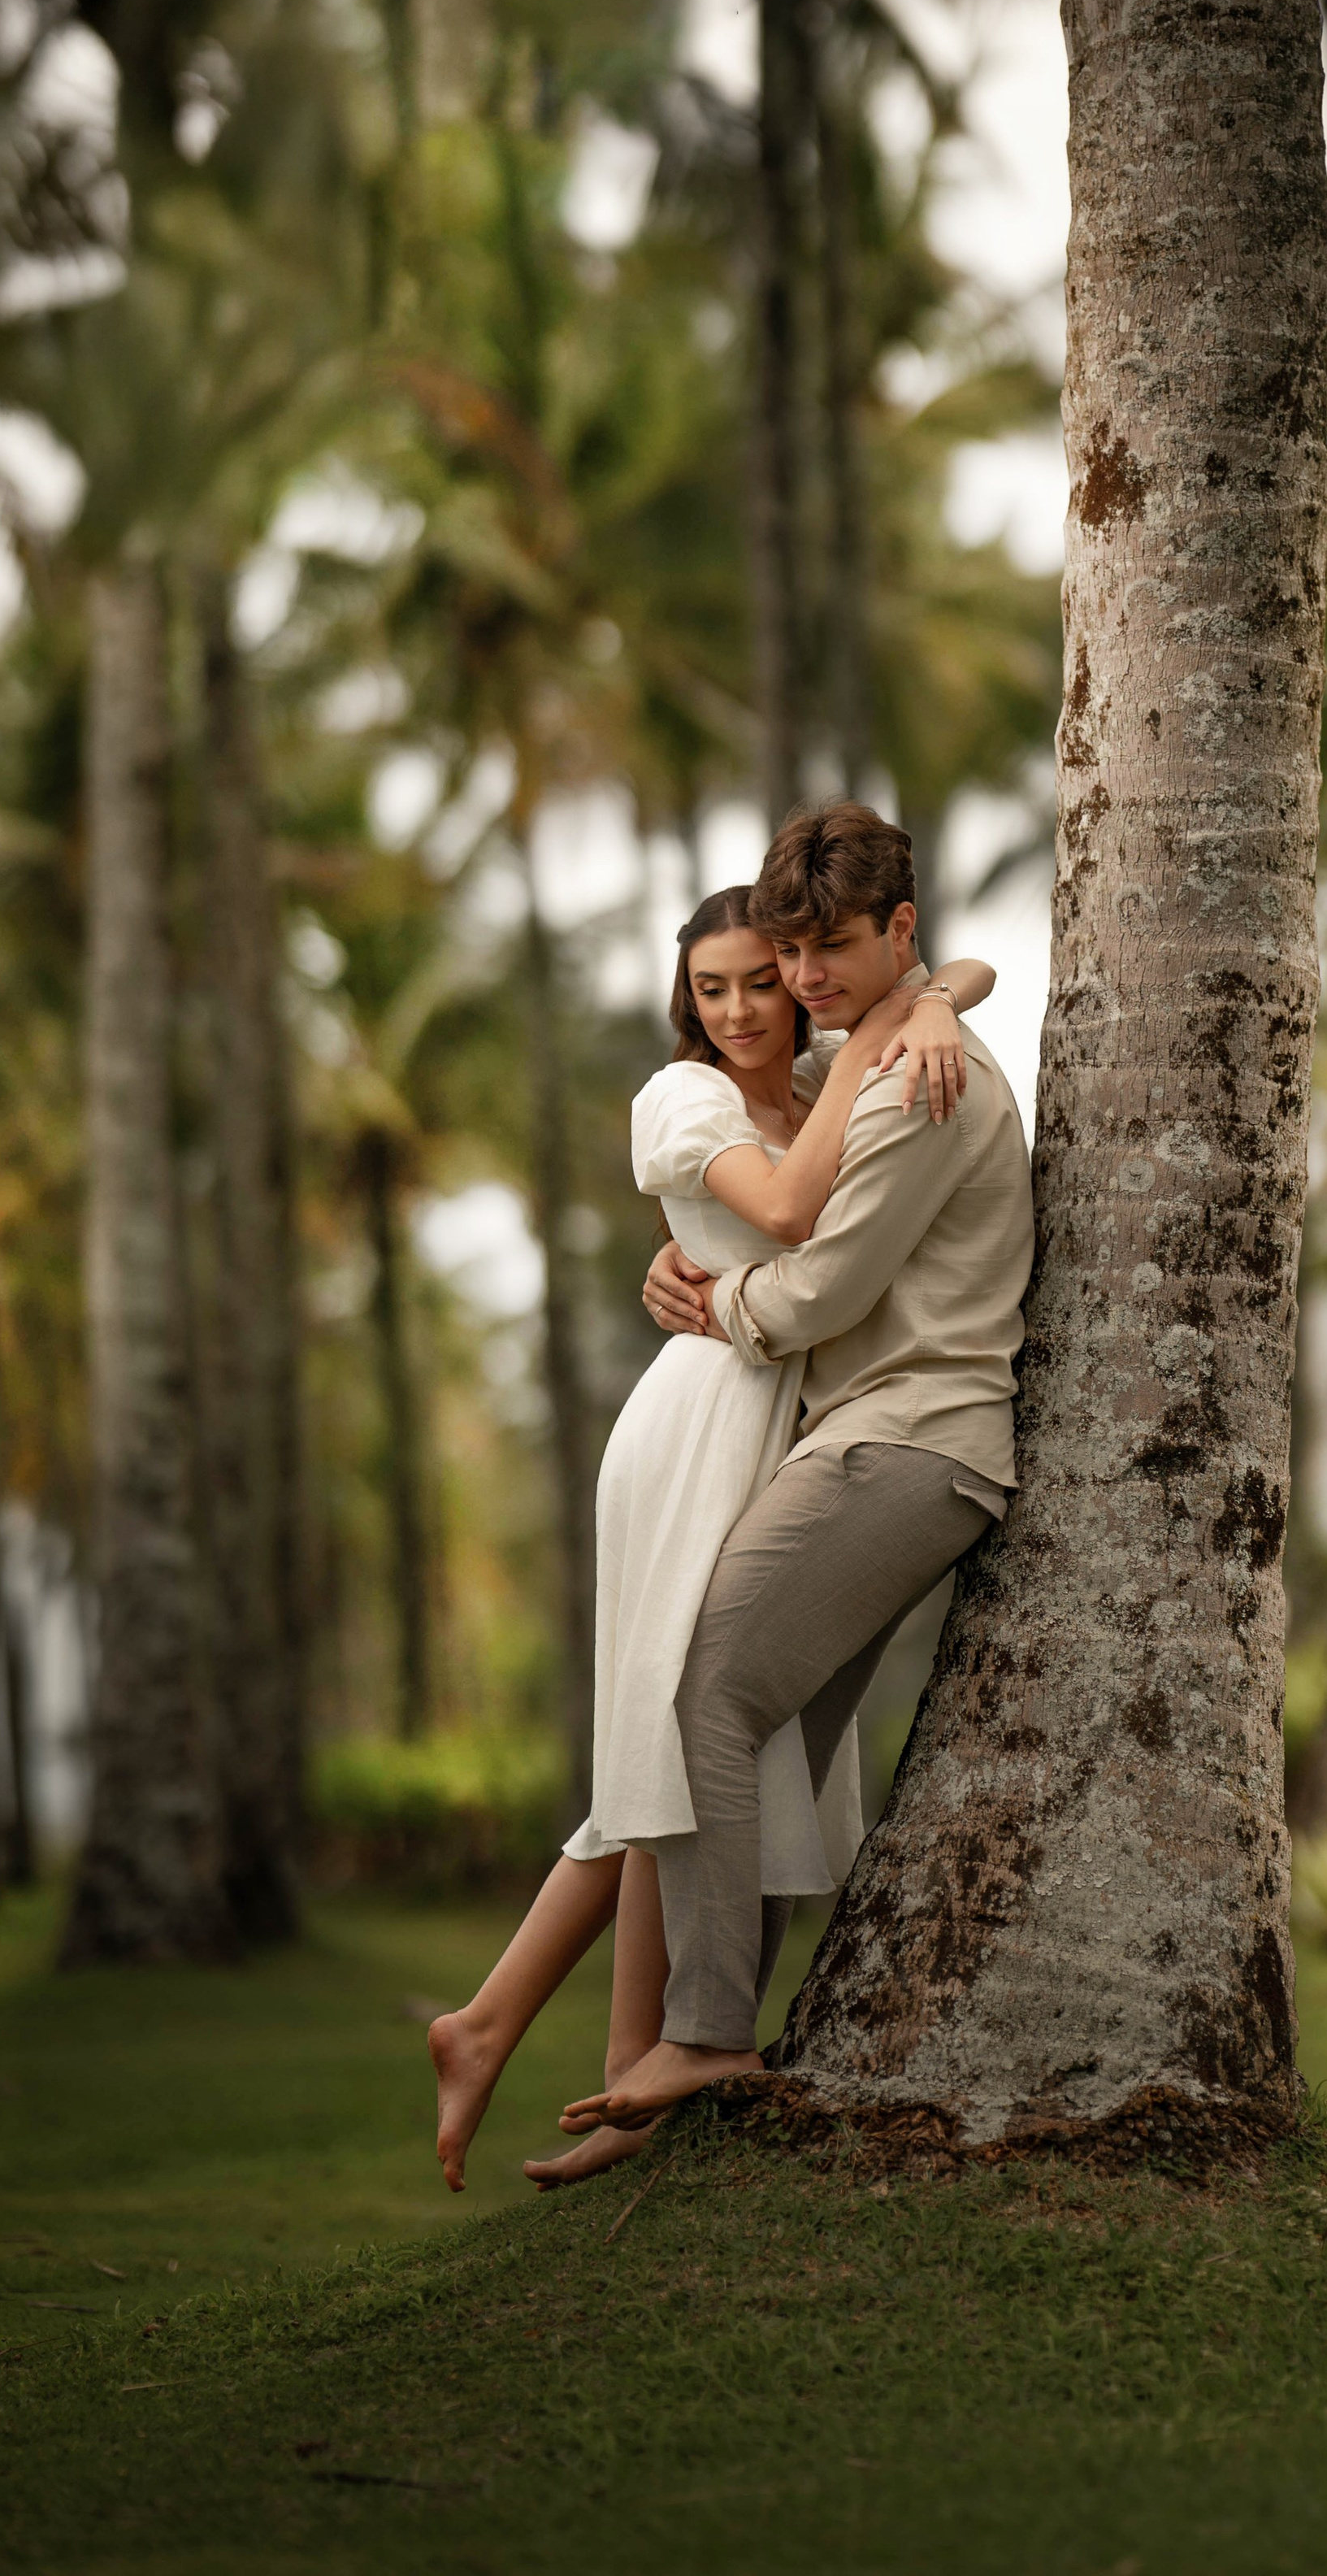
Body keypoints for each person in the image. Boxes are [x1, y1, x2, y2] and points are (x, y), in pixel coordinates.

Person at [427, 877, 995, 2192]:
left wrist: (938, 1003)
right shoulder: (685, 1100)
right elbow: (793, 1214)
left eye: (762, 979)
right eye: (712, 987)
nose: (741, 1008)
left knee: (681, 1743)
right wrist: (897, 1026)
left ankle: (541, 2037)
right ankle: (587, 2041)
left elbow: (955, 980)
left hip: (784, 1414)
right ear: (684, 1001)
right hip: (702, 1419)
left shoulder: (820, 1085)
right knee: (671, 1733)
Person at [558, 800, 1034, 2143]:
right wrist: (931, 997)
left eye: (831, 952)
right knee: (758, 1737)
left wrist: (709, 1299)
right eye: (792, 954)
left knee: (704, 1682)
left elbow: (817, 1288)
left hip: (907, 1441)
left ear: (898, 931)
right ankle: (698, 2066)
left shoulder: (918, 1086)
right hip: (879, 1438)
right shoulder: (874, 1061)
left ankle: (703, 2036)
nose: (808, 982)